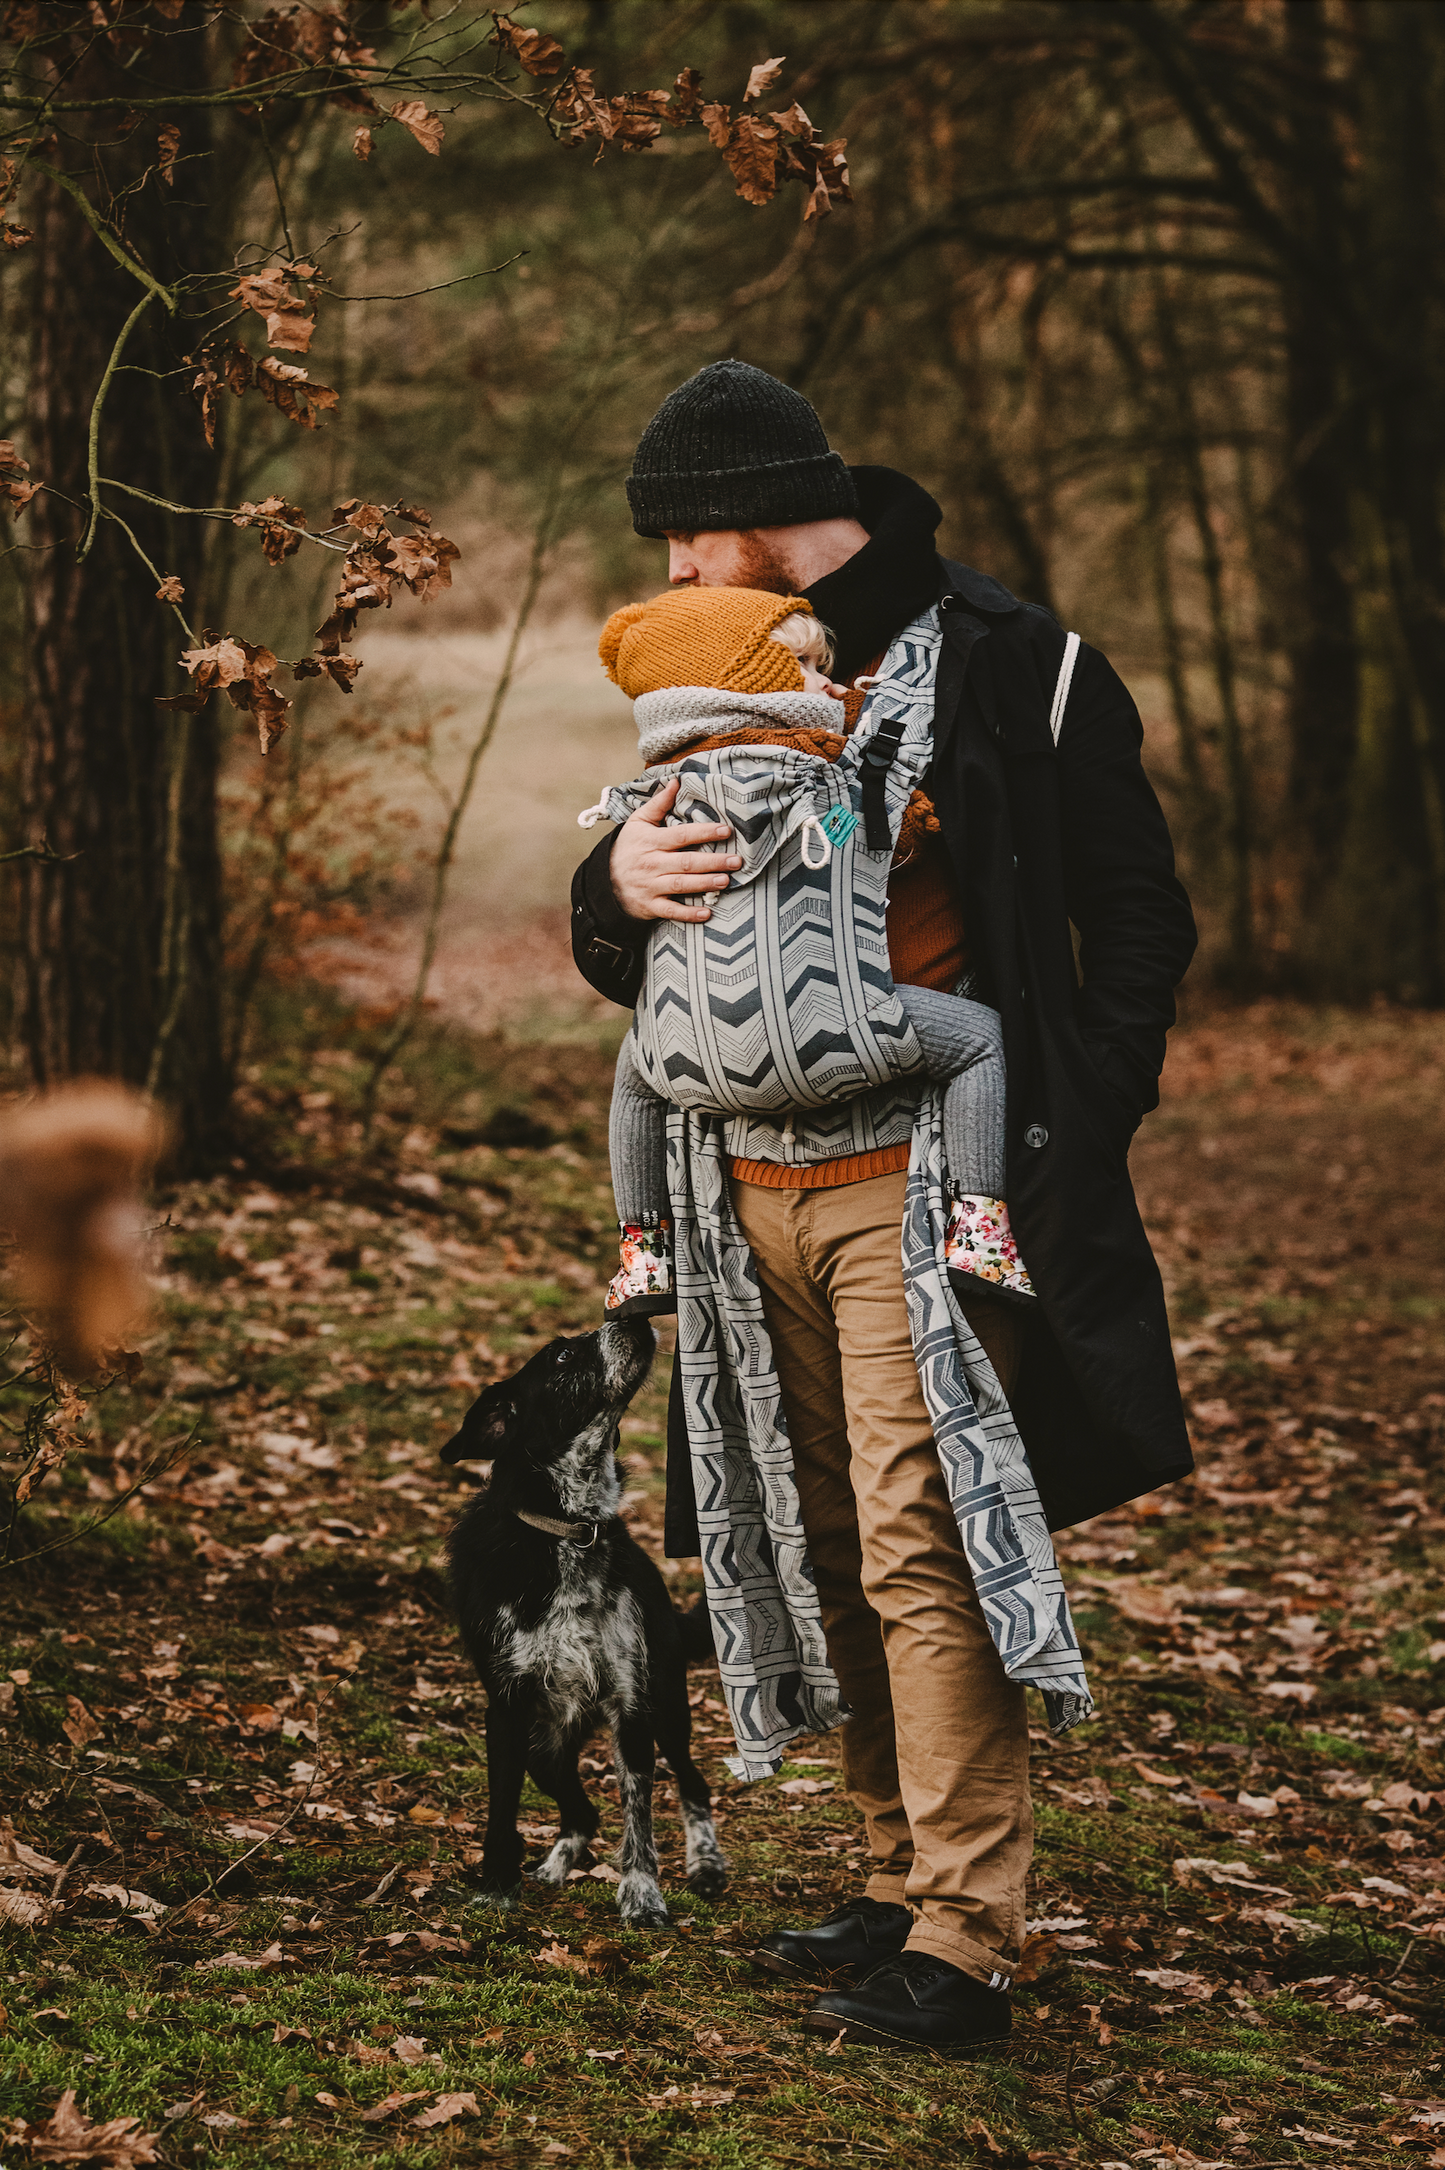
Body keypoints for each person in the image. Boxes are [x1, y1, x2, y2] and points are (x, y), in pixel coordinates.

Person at [569, 360, 1197, 2053]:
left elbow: (1138, 920)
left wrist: (1078, 1125)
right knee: (823, 1535)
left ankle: (967, 1938)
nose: (674, 590)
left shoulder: (1019, 668)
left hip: (918, 1184)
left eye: (686, 552)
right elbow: (644, 895)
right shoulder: (717, 676)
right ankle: (892, 1870)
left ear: (746, 526)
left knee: (926, 1544)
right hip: (731, 1186)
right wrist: (608, 892)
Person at [589, 583, 1028, 1320]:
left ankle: (643, 1251)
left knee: (634, 1077)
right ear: (748, 681)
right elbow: (890, 838)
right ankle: (981, 1228)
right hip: (829, 1023)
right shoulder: (816, 767)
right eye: (806, 670)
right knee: (980, 1042)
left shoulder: (654, 789)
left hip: (692, 1045)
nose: (830, 684)